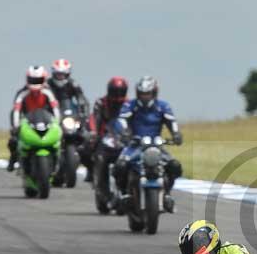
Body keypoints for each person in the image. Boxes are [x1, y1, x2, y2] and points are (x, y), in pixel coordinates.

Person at [113, 76, 182, 212]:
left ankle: (167, 194)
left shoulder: (163, 106)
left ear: (154, 93)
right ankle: (123, 194)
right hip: (135, 145)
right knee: (120, 166)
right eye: (142, 94)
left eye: (148, 94)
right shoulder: (130, 105)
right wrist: (124, 133)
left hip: (157, 146)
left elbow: (172, 122)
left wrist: (176, 134)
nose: (145, 97)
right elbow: (121, 120)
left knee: (174, 166)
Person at [7, 66, 59, 171]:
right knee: (13, 140)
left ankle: (59, 162)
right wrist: (16, 126)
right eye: (33, 80)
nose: (35, 83)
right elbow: (16, 110)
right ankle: (13, 159)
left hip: (45, 121)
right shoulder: (22, 93)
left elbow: (55, 109)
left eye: (38, 80)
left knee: (61, 139)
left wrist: (57, 123)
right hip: (28, 121)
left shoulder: (49, 92)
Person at [48, 58, 92, 179]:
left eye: (62, 74)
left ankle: (91, 171)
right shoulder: (47, 85)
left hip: (68, 116)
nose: (60, 77)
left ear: (68, 74)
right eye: (58, 74)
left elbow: (82, 100)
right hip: (52, 116)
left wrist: (83, 116)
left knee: (86, 139)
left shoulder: (74, 84)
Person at [89, 76, 129, 207]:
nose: (117, 95)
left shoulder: (129, 104)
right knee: (92, 154)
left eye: (120, 92)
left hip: (124, 139)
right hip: (104, 138)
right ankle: (98, 184)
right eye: (115, 91)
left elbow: (136, 121)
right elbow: (94, 118)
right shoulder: (101, 103)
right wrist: (93, 133)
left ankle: (132, 189)